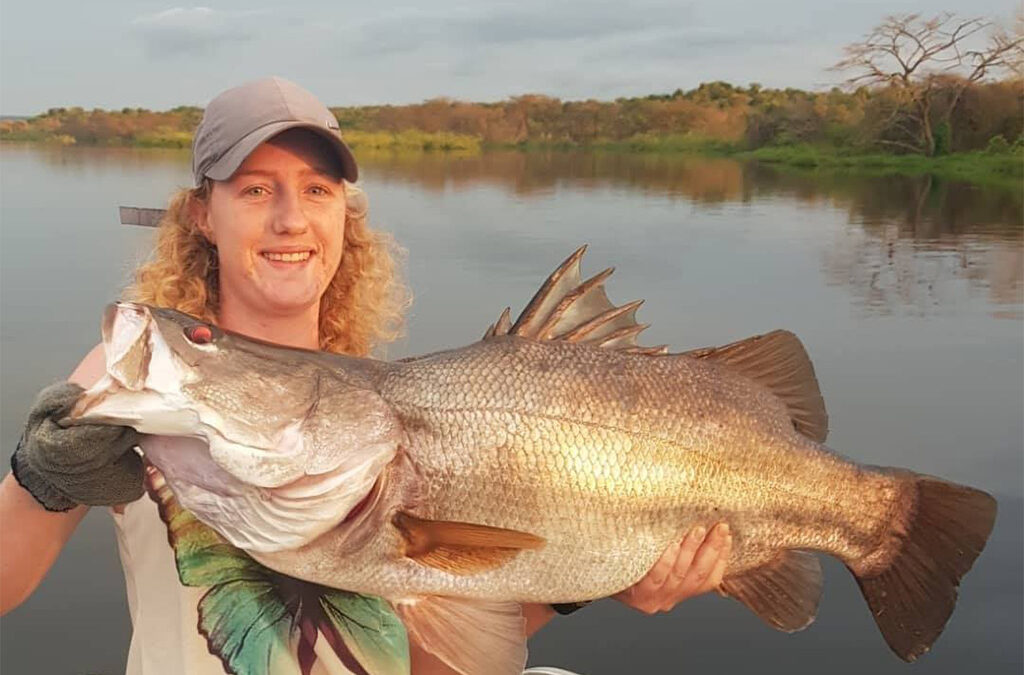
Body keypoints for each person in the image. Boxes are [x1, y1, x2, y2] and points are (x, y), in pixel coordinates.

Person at [0, 77, 733, 674]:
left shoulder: (382, 407)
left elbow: (432, 662)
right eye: (255, 189)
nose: (291, 219)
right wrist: (43, 479)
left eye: (317, 190)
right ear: (202, 214)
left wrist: (583, 580)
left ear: (343, 217)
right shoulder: (142, 379)